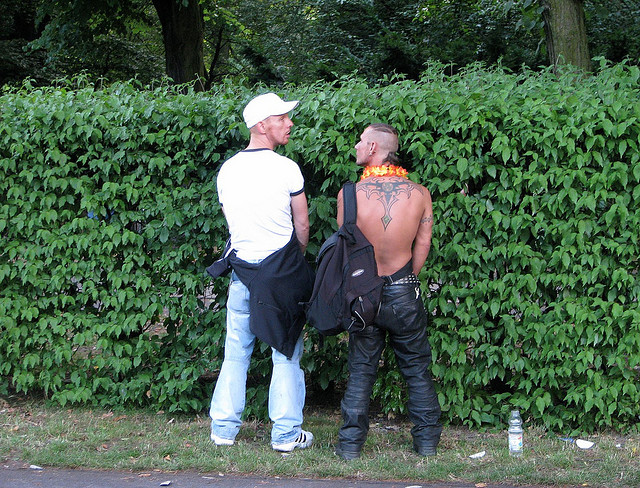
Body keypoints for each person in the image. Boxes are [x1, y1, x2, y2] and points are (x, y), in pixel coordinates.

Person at [208, 92, 314, 452]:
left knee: (235, 353)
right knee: (285, 353)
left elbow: (232, 223)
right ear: (261, 125)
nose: (289, 122)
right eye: (282, 117)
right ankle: (285, 435)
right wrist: (293, 260)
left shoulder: (228, 170)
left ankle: (223, 430)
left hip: (242, 274)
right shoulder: (286, 169)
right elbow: (302, 226)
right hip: (281, 277)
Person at [334, 123, 442, 460]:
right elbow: (422, 245)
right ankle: (426, 446)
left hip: (363, 296)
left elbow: (346, 250)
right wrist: (404, 281)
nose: (355, 145)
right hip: (403, 290)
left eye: (360, 141)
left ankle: (350, 448)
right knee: (417, 369)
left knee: (361, 370)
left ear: (372, 149)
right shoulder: (420, 193)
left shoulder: (348, 194)